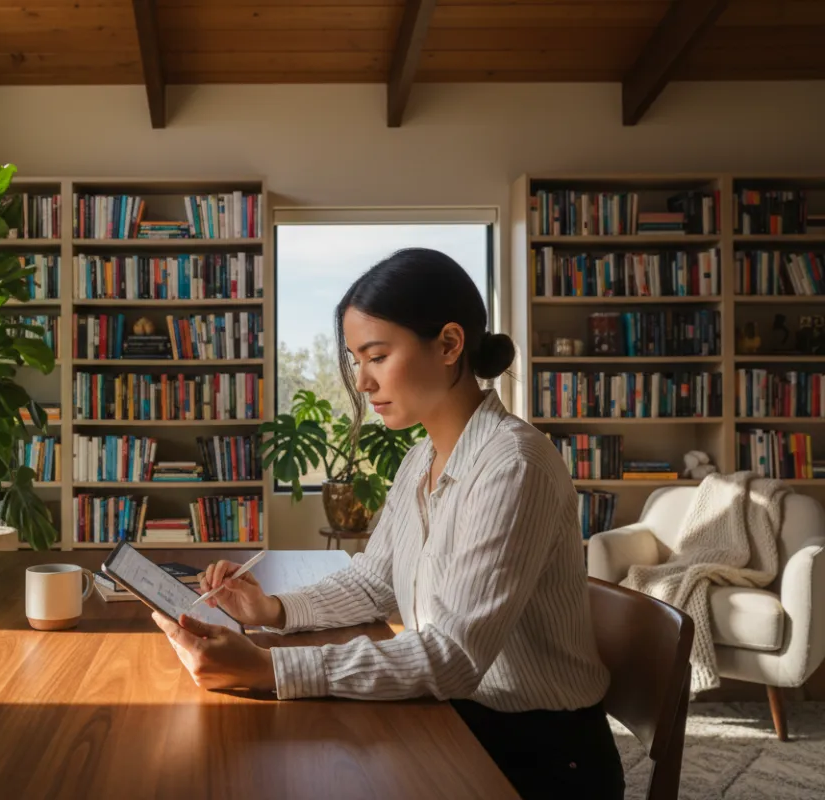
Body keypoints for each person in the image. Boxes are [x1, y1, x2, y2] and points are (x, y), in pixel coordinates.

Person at [150, 248, 626, 799]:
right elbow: (374, 580)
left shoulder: (513, 465)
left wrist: (269, 670)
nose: (363, 382)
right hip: (464, 717)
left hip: (537, 754)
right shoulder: (421, 458)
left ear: (449, 345)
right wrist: (272, 612)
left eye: (376, 356)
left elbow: (453, 657)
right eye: (356, 360)